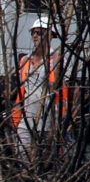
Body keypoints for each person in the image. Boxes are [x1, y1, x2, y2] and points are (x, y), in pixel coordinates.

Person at [12, 20, 66, 155]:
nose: (35, 36)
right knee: (23, 160)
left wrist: (59, 124)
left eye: (39, 32)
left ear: (50, 36)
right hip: (24, 122)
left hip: (47, 123)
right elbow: (21, 92)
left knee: (45, 162)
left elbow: (63, 95)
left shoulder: (57, 62)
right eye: (33, 32)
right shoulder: (24, 61)